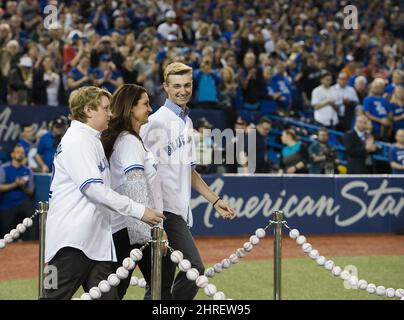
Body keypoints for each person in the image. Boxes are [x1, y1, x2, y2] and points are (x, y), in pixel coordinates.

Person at [42, 86, 165, 300]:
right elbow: (95, 190)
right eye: (105, 109)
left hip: (95, 243)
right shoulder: (77, 142)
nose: (110, 113)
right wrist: (139, 210)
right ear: (89, 110)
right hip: (71, 244)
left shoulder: (92, 140)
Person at [140, 62, 236, 300]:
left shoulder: (187, 122)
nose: (182, 90)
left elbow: (189, 171)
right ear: (165, 87)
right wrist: (154, 220)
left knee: (160, 287)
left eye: (186, 85)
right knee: (193, 270)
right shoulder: (154, 122)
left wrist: (215, 200)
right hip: (163, 213)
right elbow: (139, 171)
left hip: (178, 211)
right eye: (176, 86)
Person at [101, 84, 171, 300]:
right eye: (145, 104)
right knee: (159, 282)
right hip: (133, 228)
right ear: (131, 108)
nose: (150, 108)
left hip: (128, 226)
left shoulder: (127, 139)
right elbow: (136, 186)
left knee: (117, 288)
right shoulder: (129, 142)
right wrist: (155, 230)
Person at [0, 144, 35, 240]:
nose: (20, 155)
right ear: (12, 154)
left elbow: (31, 191)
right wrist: (15, 184)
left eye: (22, 153)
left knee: (32, 212)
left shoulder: (28, 170)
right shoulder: (3, 168)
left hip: (23, 202)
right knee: (5, 233)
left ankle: (30, 244)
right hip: (7, 203)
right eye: (18, 152)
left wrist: (22, 186)